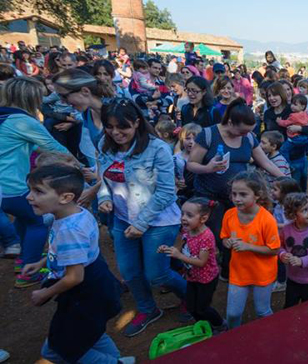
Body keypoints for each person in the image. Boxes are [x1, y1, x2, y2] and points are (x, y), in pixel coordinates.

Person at [95, 98, 187, 337]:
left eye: (122, 126)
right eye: (109, 126)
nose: (115, 132)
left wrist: (141, 223)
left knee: (157, 275)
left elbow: (167, 192)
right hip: (123, 219)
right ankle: (148, 308)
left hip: (159, 221)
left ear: (136, 122)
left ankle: (191, 297)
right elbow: (102, 179)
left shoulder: (157, 148)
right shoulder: (104, 144)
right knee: (128, 271)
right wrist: (103, 198)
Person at [23, 165, 132, 364]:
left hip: (85, 294)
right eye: (30, 190)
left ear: (65, 197)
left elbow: (74, 276)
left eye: (38, 191)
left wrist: (44, 294)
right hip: (97, 287)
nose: (29, 197)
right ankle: (117, 359)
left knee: (57, 350)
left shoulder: (69, 230)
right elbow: (73, 253)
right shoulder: (76, 213)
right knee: (90, 333)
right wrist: (42, 262)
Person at [188, 99, 285, 280]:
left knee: (238, 233)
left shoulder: (248, 137)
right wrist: (208, 168)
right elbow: (191, 164)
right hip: (210, 195)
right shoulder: (208, 134)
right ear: (230, 122)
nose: (247, 134)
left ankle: (228, 271)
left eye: (250, 130)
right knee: (218, 235)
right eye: (243, 130)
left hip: (239, 198)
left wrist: (285, 180)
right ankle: (221, 268)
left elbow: (264, 162)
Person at [0, 77, 69, 288]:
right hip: (11, 186)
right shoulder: (22, 121)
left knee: (23, 218)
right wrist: (81, 169)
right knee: (38, 222)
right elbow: (55, 148)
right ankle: (29, 270)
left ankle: (23, 260)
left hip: (5, 188)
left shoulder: (4, 117)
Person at [221, 171, 280, 329]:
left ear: (257, 195)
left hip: (262, 273)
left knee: (262, 310)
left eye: (243, 194)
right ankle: (233, 338)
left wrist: (248, 247)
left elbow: (274, 250)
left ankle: (271, 333)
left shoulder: (267, 220)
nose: (237, 199)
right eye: (234, 194)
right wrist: (227, 243)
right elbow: (225, 237)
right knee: (232, 314)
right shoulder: (229, 215)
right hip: (239, 272)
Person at [158, 197, 226, 332]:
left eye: (189, 215)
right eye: (182, 213)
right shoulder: (187, 231)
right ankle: (203, 326)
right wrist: (168, 249)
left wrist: (179, 256)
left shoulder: (206, 236)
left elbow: (201, 262)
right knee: (191, 307)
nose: (183, 218)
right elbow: (183, 247)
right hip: (192, 276)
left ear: (203, 218)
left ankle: (220, 325)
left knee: (202, 307)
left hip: (206, 279)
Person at [278, 193, 308, 308]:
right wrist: (282, 255)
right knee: (289, 307)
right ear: (293, 214)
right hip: (293, 278)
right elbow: (279, 246)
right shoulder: (286, 229)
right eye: (304, 210)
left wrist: (302, 261)